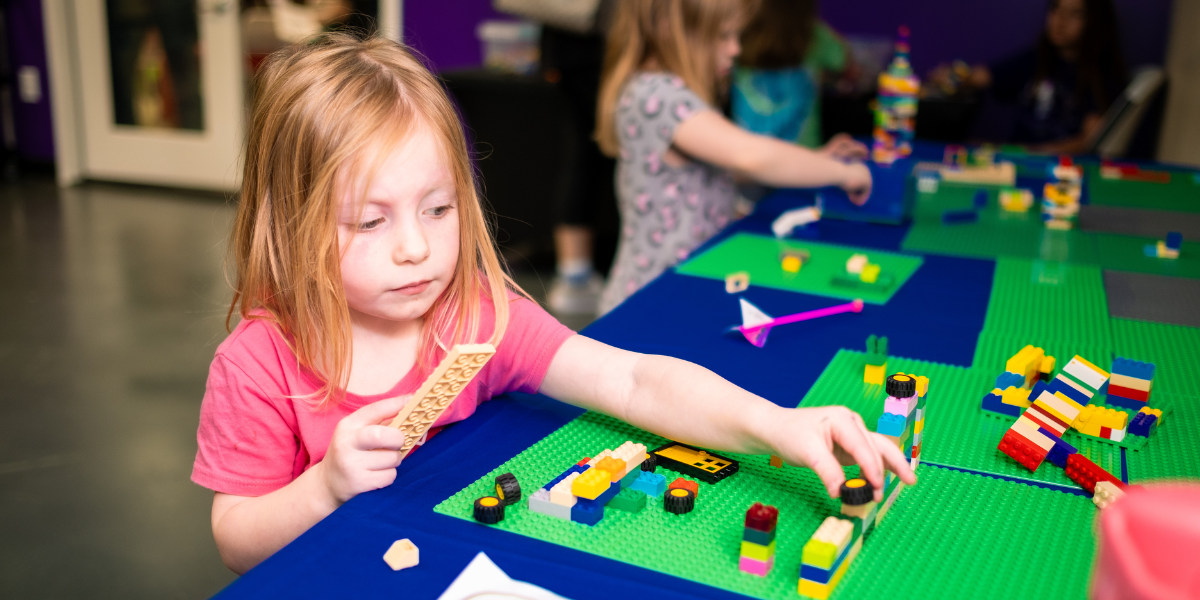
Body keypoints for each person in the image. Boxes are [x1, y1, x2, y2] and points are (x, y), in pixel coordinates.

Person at [192, 33, 913, 573]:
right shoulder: (257, 364)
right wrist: (324, 486)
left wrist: (780, 425)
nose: (415, 248)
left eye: (438, 209)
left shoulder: (474, 314)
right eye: (371, 221)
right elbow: (233, 539)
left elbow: (632, 380)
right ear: (290, 224)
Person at [594, 0, 871, 315]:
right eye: (724, 36)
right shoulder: (658, 95)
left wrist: (817, 159)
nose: (736, 49)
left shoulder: (672, 92)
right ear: (672, 32)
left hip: (685, 284)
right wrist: (843, 173)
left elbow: (723, 167)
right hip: (654, 297)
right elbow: (748, 156)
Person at [951, 0, 1127, 153]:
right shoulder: (1035, 58)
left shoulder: (1100, 75)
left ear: (1094, 21)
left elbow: (1089, 141)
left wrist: (1025, 153)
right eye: (1055, 8)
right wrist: (953, 77)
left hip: (1058, 167)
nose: (1060, 20)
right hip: (1015, 160)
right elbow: (979, 76)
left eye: (1075, 13)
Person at [731, 0, 857, 151]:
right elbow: (848, 65)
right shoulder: (816, 36)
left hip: (747, 157)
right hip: (805, 157)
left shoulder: (739, 34)